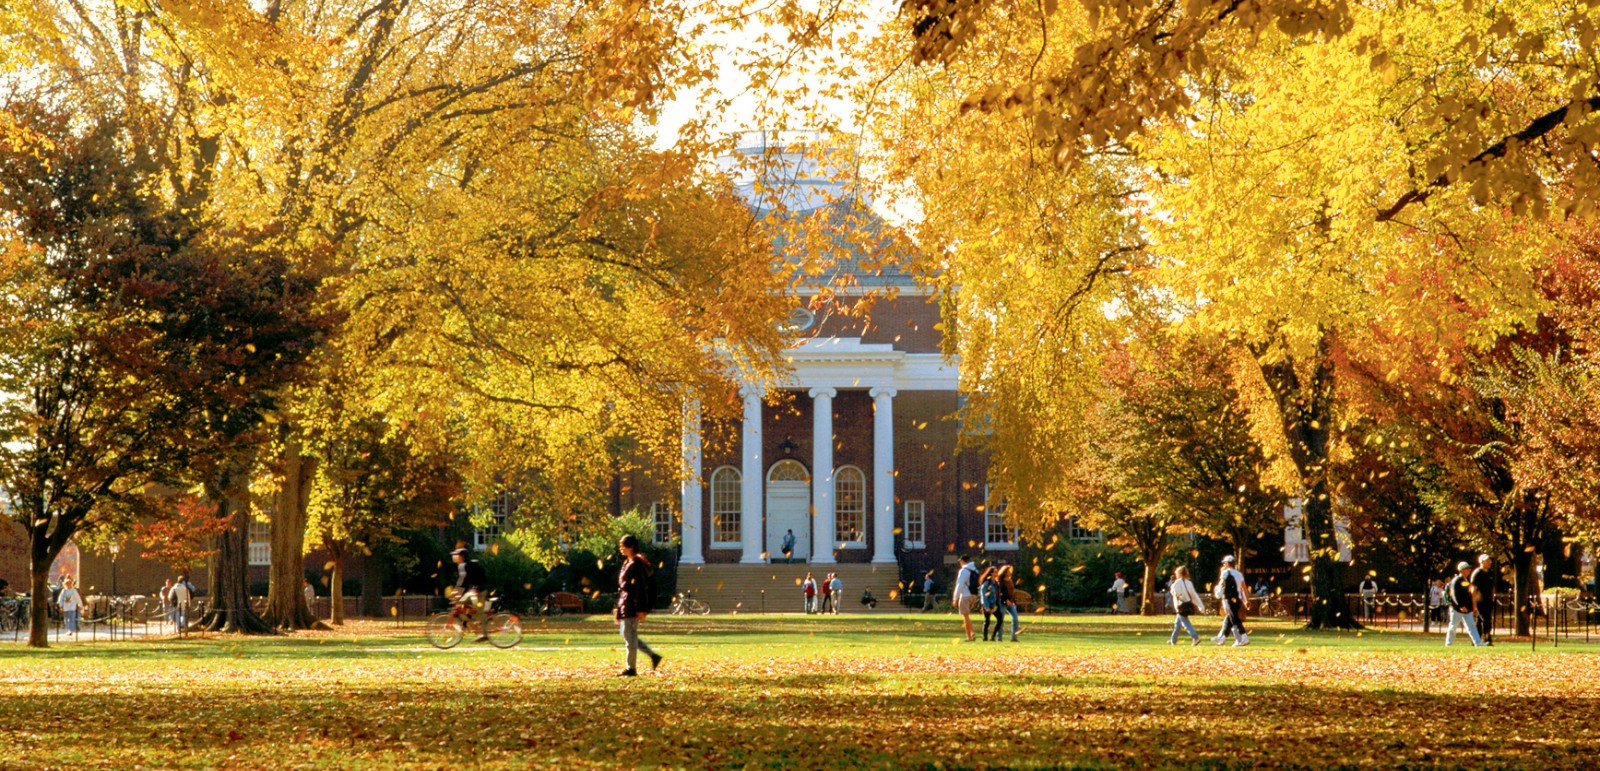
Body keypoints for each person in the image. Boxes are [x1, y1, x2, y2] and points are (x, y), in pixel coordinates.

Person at [615, 534, 662, 676]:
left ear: (631, 547)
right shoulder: (628, 563)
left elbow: (639, 587)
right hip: (626, 603)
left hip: (632, 605)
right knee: (629, 635)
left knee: (630, 637)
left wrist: (641, 608)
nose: (621, 549)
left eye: (623, 546)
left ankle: (631, 668)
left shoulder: (636, 564)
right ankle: (652, 656)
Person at [451, 547, 491, 642]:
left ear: (462, 556)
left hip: (480, 590)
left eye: (456, 555)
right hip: (473, 590)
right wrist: (456, 591)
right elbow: (462, 581)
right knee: (459, 605)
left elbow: (466, 580)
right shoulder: (462, 565)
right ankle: (469, 625)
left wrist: (457, 591)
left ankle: (483, 633)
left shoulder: (468, 565)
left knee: (478, 612)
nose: (454, 557)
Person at [1445, 561, 1485, 647]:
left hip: (1466, 609)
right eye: (1467, 569)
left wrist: (1471, 606)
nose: (1469, 570)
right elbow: (1455, 595)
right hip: (1457, 609)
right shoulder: (1456, 580)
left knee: (1471, 626)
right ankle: (1448, 644)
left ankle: (1477, 642)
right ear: (1461, 570)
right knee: (1453, 626)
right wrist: (1460, 606)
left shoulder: (1465, 580)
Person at [1212, 556, 1250, 646]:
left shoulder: (1225, 573)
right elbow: (1244, 588)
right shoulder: (1239, 574)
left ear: (1228, 563)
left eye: (1224, 563)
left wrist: (1217, 593)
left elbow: (1221, 585)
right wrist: (1246, 600)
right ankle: (1222, 637)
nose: (1223, 564)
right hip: (1237, 599)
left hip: (1228, 598)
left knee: (1234, 618)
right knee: (1229, 619)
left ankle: (1243, 637)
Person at [1167, 565, 1206, 645]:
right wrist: (1200, 605)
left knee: (1185, 622)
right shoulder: (1189, 583)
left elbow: (1175, 593)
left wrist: (1172, 588)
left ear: (1179, 573)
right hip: (1187, 604)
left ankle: (1195, 637)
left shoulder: (1177, 583)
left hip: (1180, 605)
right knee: (1177, 624)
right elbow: (1194, 595)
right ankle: (1173, 640)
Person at [1471, 554, 1497, 646]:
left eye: (1490, 561)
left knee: (1480, 620)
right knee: (1486, 619)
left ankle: (1476, 640)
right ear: (1481, 562)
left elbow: (1492, 587)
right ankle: (1486, 638)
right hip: (1480, 601)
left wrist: (1492, 598)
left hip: (1488, 600)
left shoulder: (1490, 573)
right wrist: (1473, 602)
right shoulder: (1477, 573)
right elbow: (1473, 588)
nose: (1489, 562)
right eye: (1487, 561)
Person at [951, 555, 978, 641]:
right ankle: (971, 633)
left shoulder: (963, 571)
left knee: (965, 616)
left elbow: (959, 585)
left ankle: (970, 635)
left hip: (965, 595)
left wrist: (955, 598)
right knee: (967, 615)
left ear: (963, 561)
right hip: (973, 594)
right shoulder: (975, 570)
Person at [996, 563, 1021, 642]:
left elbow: (1012, 592)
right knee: (1001, 620)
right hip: (1002, 603)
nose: (1011, 572)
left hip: (1010, 603)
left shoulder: (1010, 580)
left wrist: (1013, 602)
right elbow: (1000, 593)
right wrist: (1005, 600)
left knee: (1015, 618)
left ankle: (1014, 637)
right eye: (1009, 570)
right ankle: (999, 638)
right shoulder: (1001, 581)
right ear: (1005, 572)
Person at [978, 566, 1001, 640]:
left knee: (1000, 619)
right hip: (988, 604)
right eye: (995, 571)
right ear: (991, 573)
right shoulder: (987, 583)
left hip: (994, 605)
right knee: (987, 621)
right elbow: (983, 595)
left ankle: (993, 637)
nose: (997, 573)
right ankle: (985, 637)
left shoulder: (996, 583)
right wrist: (986, 606)